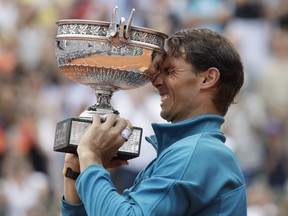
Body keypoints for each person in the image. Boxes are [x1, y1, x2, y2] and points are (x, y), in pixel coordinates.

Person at [61, 28, 247, 215]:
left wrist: (91, 158)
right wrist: (75, 175)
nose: (156, 81)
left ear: (208, 78)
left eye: (169, 71)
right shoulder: (186, 152)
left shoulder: (199, 153)